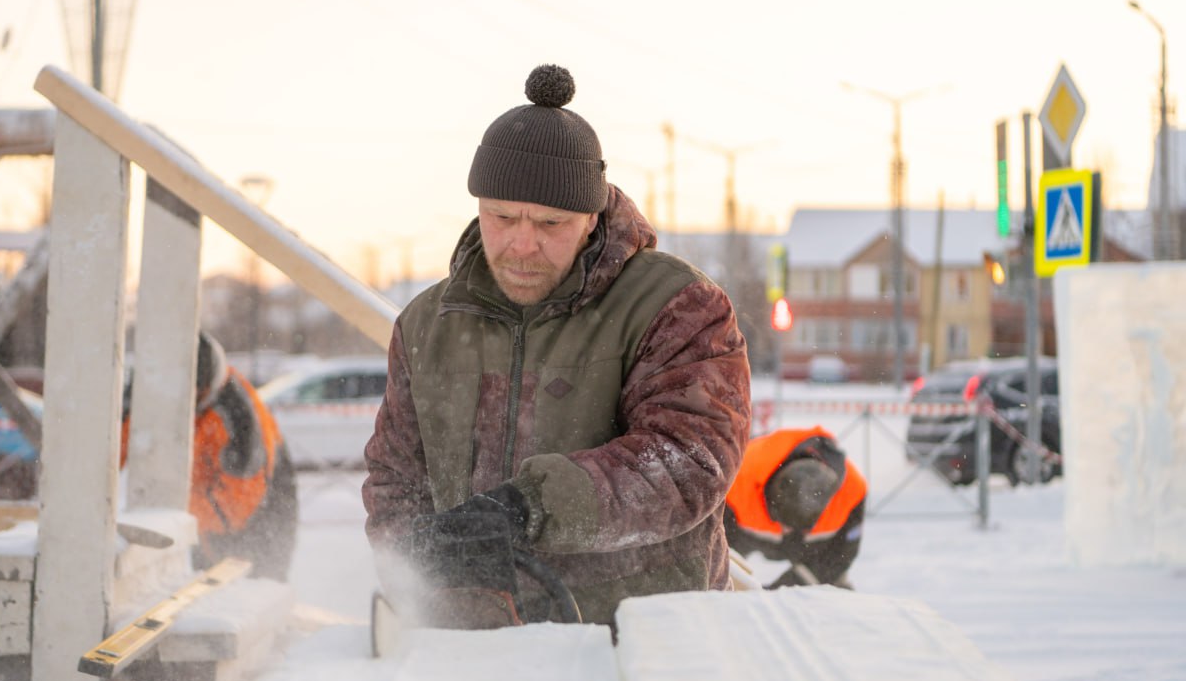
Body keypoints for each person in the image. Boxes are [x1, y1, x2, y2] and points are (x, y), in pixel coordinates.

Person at [362, 63, 752, 628]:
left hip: (640, 638)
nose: (522, 244)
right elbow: (394, 476)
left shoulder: (677, 305)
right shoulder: (426, 324)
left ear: (592, 217)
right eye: (502, 217)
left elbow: (688, 459)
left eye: (551, 223)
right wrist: (414, 565)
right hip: (472, 642)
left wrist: (532, 506)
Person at [121, 332, 298, 581]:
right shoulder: (148, 394)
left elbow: (234, 510)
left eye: (197, 395)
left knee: (259, 584)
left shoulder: (238, 418)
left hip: (262, 509)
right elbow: (115, 444)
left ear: (208, 387)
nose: (189, 403)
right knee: (201, 579)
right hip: (207, 507)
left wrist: (175, 507)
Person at [723, 426, 865, 589]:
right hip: (738, 529)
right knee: (717, 573)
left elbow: (838, 558)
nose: (785, 531)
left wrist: (781, 592)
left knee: (831, 587)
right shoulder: (738, 475)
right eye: (782, 521)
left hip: (812, 547)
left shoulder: (852, 492)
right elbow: (713, 541)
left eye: (792, 527)